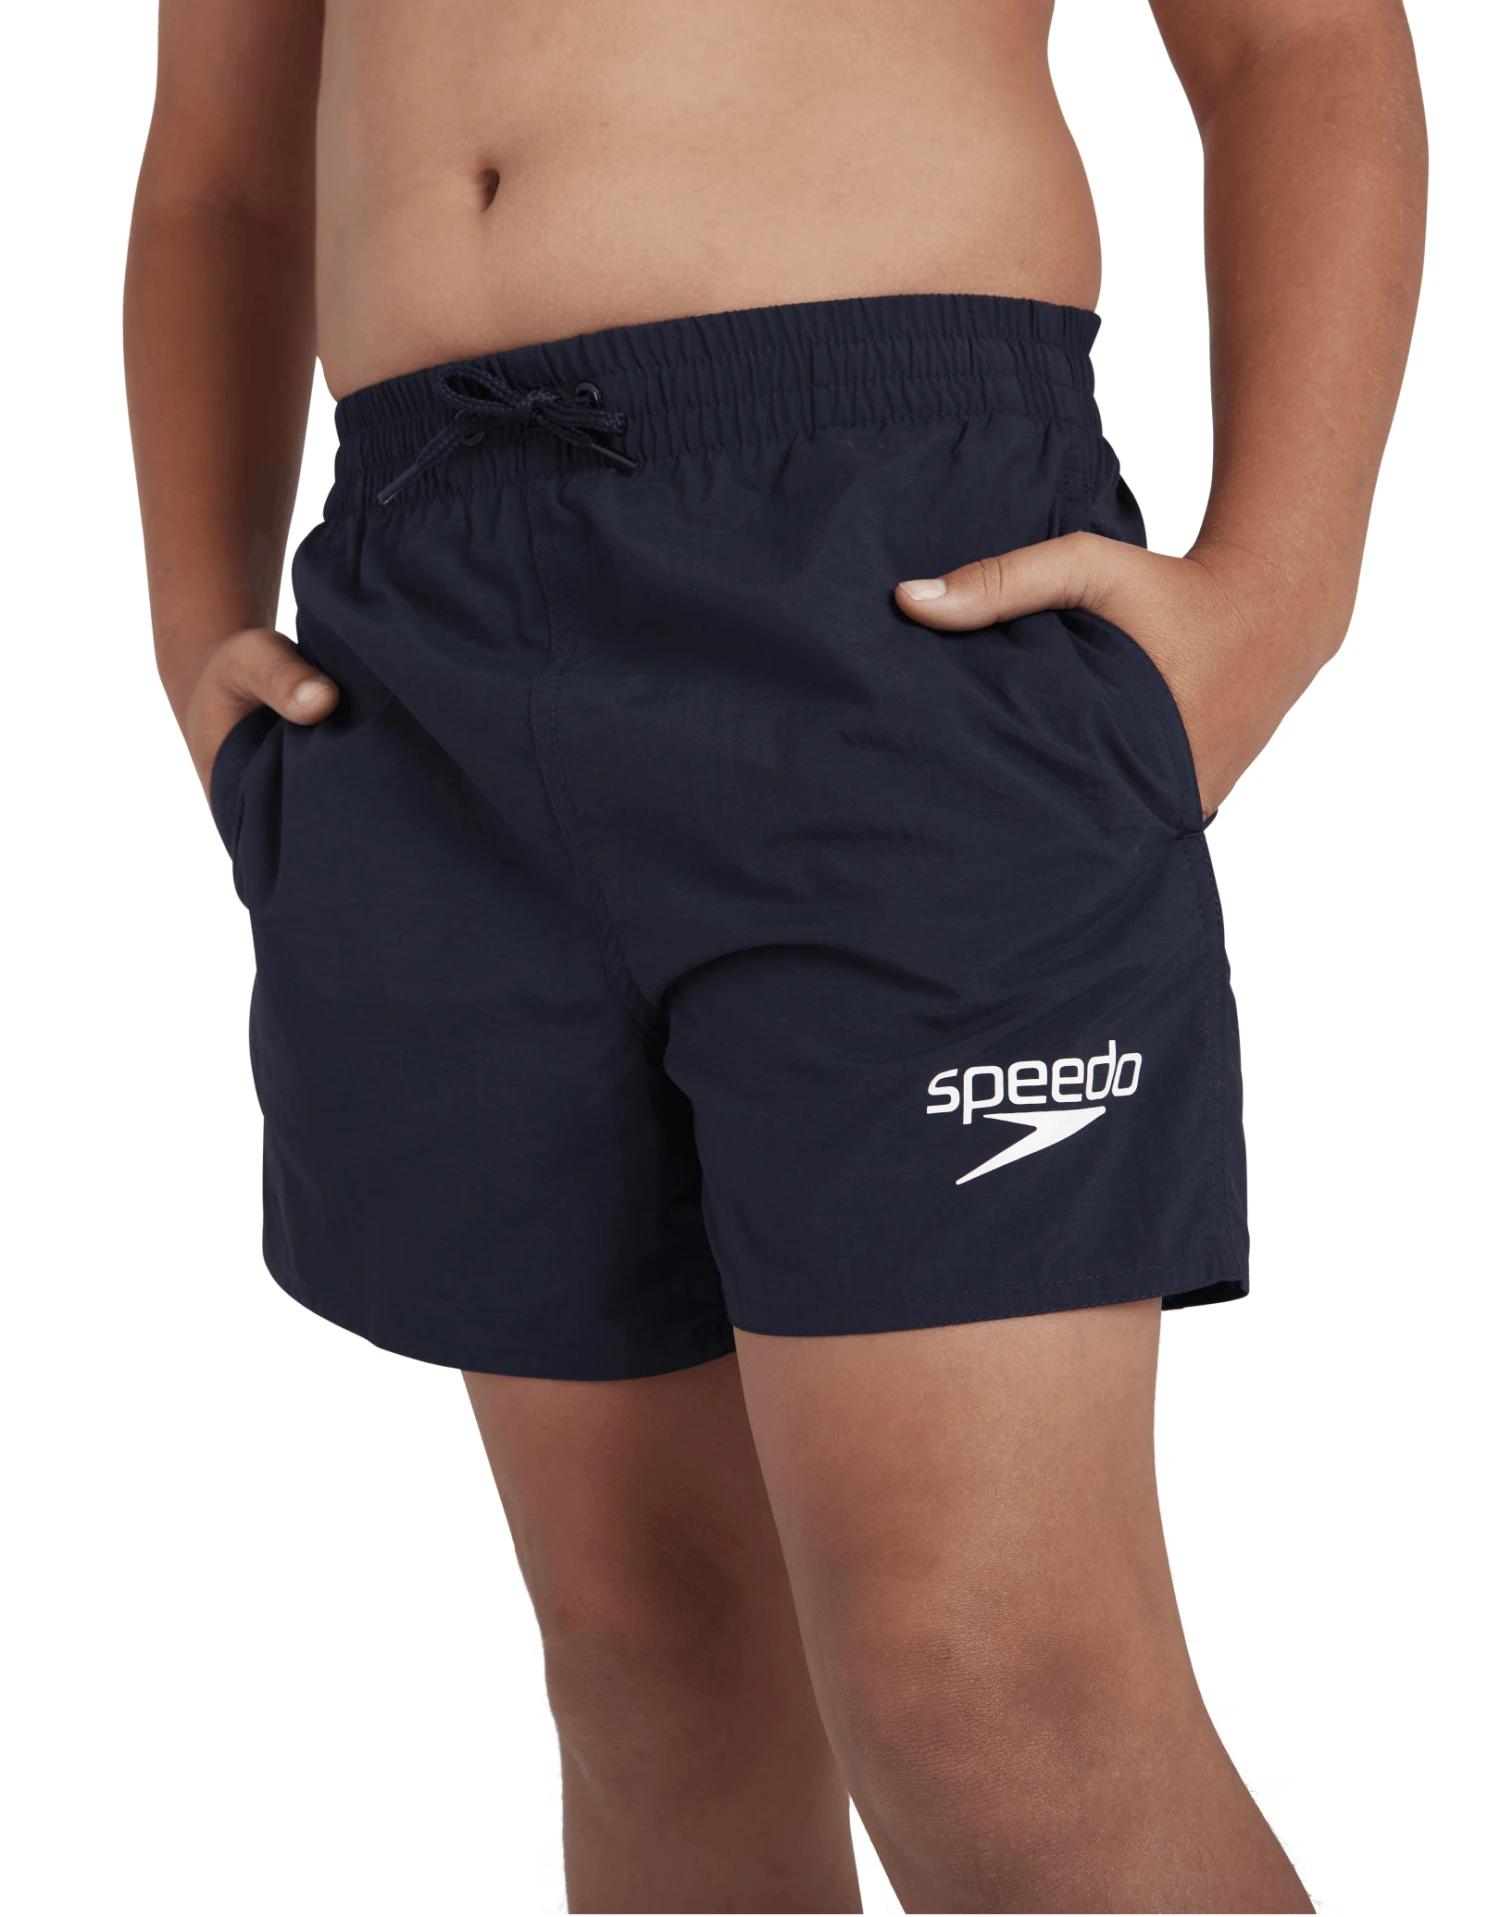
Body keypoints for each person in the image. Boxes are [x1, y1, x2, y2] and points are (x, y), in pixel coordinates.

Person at [124, 1, 1424, 1908]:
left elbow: (1296, 41)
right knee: (655, 1677)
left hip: (888, 568)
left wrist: (1279, 593)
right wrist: (190, 628)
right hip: (420, 619)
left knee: (993, 1687)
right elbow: (226, 170)